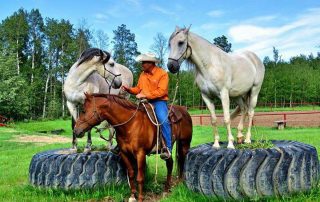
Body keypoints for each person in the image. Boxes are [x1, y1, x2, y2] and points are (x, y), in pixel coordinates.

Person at [122, 52, 172, 160]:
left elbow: (162, 91)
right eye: (142, 62)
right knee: (129, 117)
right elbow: (138, 89)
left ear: (151, 63)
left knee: (163, 120)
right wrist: (129, 89)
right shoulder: (142, 74)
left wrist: (146, 95)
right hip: (144, 102)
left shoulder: (162, 74)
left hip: (159, 101)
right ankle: (125, 143)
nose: (142, 64)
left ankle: (167, 148)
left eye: (144, 62)